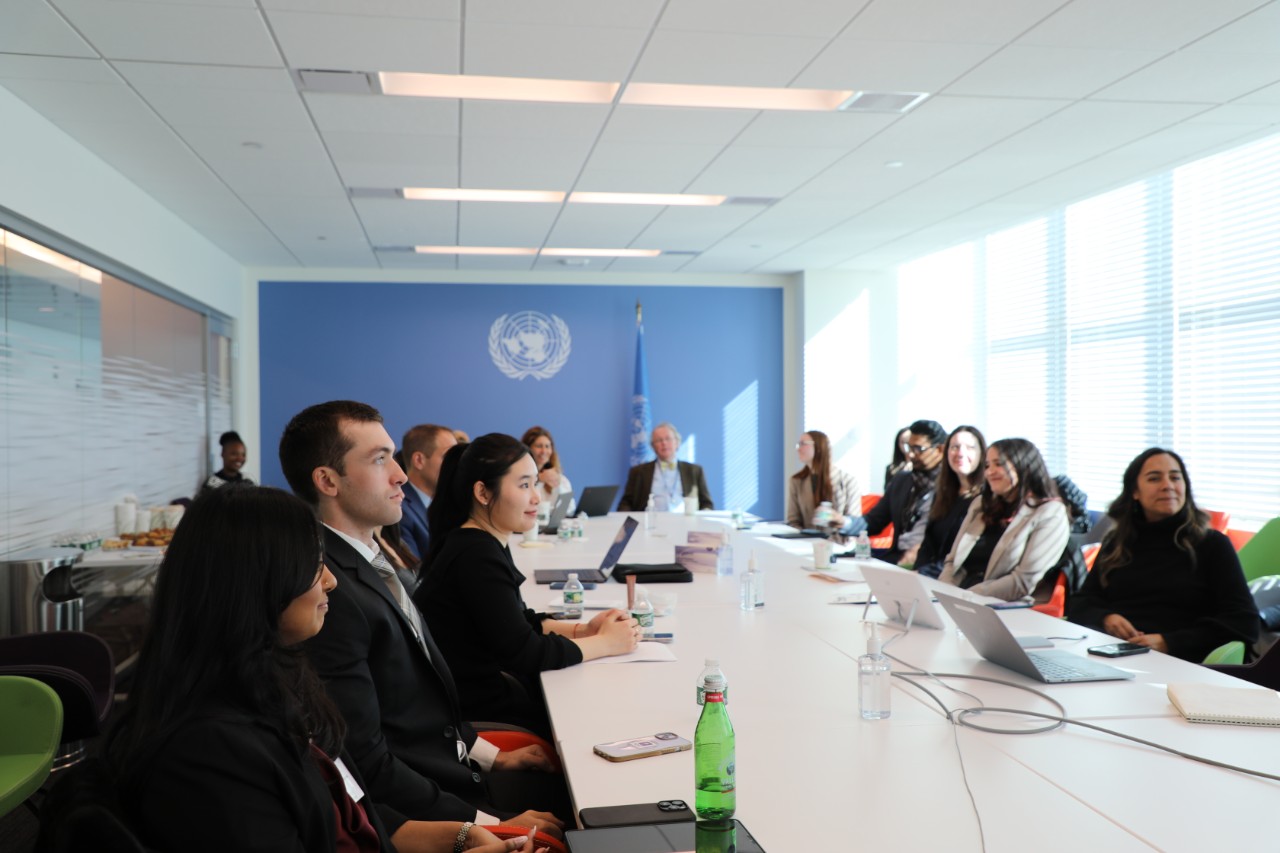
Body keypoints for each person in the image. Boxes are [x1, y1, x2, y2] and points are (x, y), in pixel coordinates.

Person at [102, 485, 541, 853]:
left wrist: (463, 837)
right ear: (257, 585)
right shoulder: (209, 752)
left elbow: (354, 814)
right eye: (313, 565)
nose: (330, 579)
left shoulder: (278, 681)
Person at [279, 401, 568, 838]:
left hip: (450, 771)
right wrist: (490, 824)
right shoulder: (328, 593)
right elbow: (366, 763)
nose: (399, 475)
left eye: (393, 456)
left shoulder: (371, 561)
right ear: (327, 481)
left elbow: (419, 703)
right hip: (429, 806)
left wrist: (490, 755)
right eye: (379, 460)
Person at [416, 434, 641, 734]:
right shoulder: (476, 554)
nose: (536, 497)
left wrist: (584, 631)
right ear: (483, 493)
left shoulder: (483, 540)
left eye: (535, 483)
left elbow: (517, 623)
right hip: (480, 707)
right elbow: (524, 653)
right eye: (524, 485)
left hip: (486, 692)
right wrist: (605, 643)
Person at [1067, 448, 1259, 661]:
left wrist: (1168, 642)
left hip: (1182, 663)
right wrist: (1106, 618)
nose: (1167, 485)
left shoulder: (1212, 544)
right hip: (1116, 654)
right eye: (1154, 478)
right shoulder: (1117, 542)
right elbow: (1081, 603)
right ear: (1135, 492)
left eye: (1175, 477)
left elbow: (1244, 621)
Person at [939, 438, 1069, 602]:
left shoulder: (1050, 513)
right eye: (987, 465)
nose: (989, 472)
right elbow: (952, 561)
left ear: (1024, 466)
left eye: (998, 464)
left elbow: (1023, 581)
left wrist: (966, 597)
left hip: (1007, 606)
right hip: (961, 598)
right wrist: (943, 591)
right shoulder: (980, 504)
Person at [833, 419, 948, 565]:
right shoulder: (901, 482)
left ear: (939, 450)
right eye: (909, 447)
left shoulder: (950, 489)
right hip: (895, 559)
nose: (910, 454)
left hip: (930, 566)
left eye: (918, 449)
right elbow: (873, 521)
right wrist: (844, 522)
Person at [915, 425, 986, 579]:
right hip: (928, 577)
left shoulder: (986, 498)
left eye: (970, 448)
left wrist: (925, 573)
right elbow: (928, 544)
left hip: (960, 580)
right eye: (955, 447)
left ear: (981, 454)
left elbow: (969, 554)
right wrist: (918, 572)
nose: (961, 453)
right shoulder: (942, 493)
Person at [617, 422, 714, 511]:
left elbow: (707, 504)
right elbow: (626, 503)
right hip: (649, 523)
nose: (664, 443)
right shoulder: (638, 472)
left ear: (677, 442)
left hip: (685, 524)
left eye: (668, 439)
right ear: (653, 446)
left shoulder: (695, 471)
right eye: (659, 440)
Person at [786, 430, 860, 541]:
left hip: (839, 546)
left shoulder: (848, 481)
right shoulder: (797, 481)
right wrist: (804, 540)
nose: (798, 448)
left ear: (819, 447)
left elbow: (853, 523)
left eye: (803, 444)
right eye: (798, 444)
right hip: (805, 544)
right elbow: (793, 521)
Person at [400, 424, 458, 560]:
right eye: (448, 457)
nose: (456, 465)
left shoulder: (446, 505)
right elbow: (413, 574)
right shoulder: (400, 509)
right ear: (419, 460)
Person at [520, 426, 575, 520]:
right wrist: (539, 479)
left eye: (547, 446)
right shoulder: (519, 479)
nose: (544, 451)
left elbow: (569, 509)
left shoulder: (561, 478)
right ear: (528, 448)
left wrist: (558, 485)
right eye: (539, 446)